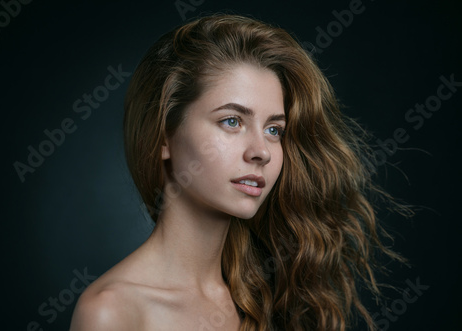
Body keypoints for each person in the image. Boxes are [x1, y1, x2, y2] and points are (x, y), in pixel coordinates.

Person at [70, 14, 406, 331]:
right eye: (232, 121)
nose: (261, 151)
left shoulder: (276, 296)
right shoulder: (112, 312)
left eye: (275, 130)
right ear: (163, 137)